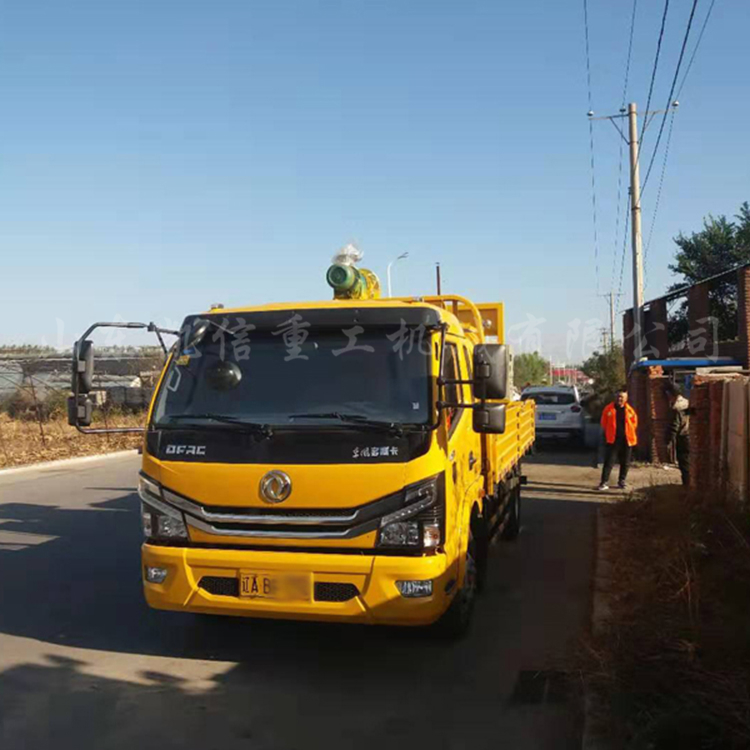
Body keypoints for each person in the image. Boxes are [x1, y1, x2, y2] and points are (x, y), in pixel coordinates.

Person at [598, 386, 638, 490]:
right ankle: (604, 482)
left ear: (626, 398)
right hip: (613, 440)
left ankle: (622, 481)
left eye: (622, 397)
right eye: (618, 396)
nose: (619, 399)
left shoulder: (630, 410)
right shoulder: (608, 409)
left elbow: (634, 423)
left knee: (625, 462)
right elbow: (604, 423)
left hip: (627, 440)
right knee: (609, 462)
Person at [665, 384, 691, 486]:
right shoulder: (687, 402)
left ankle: (687, 485)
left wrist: (668, 441)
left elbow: (674, 426)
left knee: (684, 463)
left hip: (683, 437)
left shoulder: (676, 407)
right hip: (691, 435)